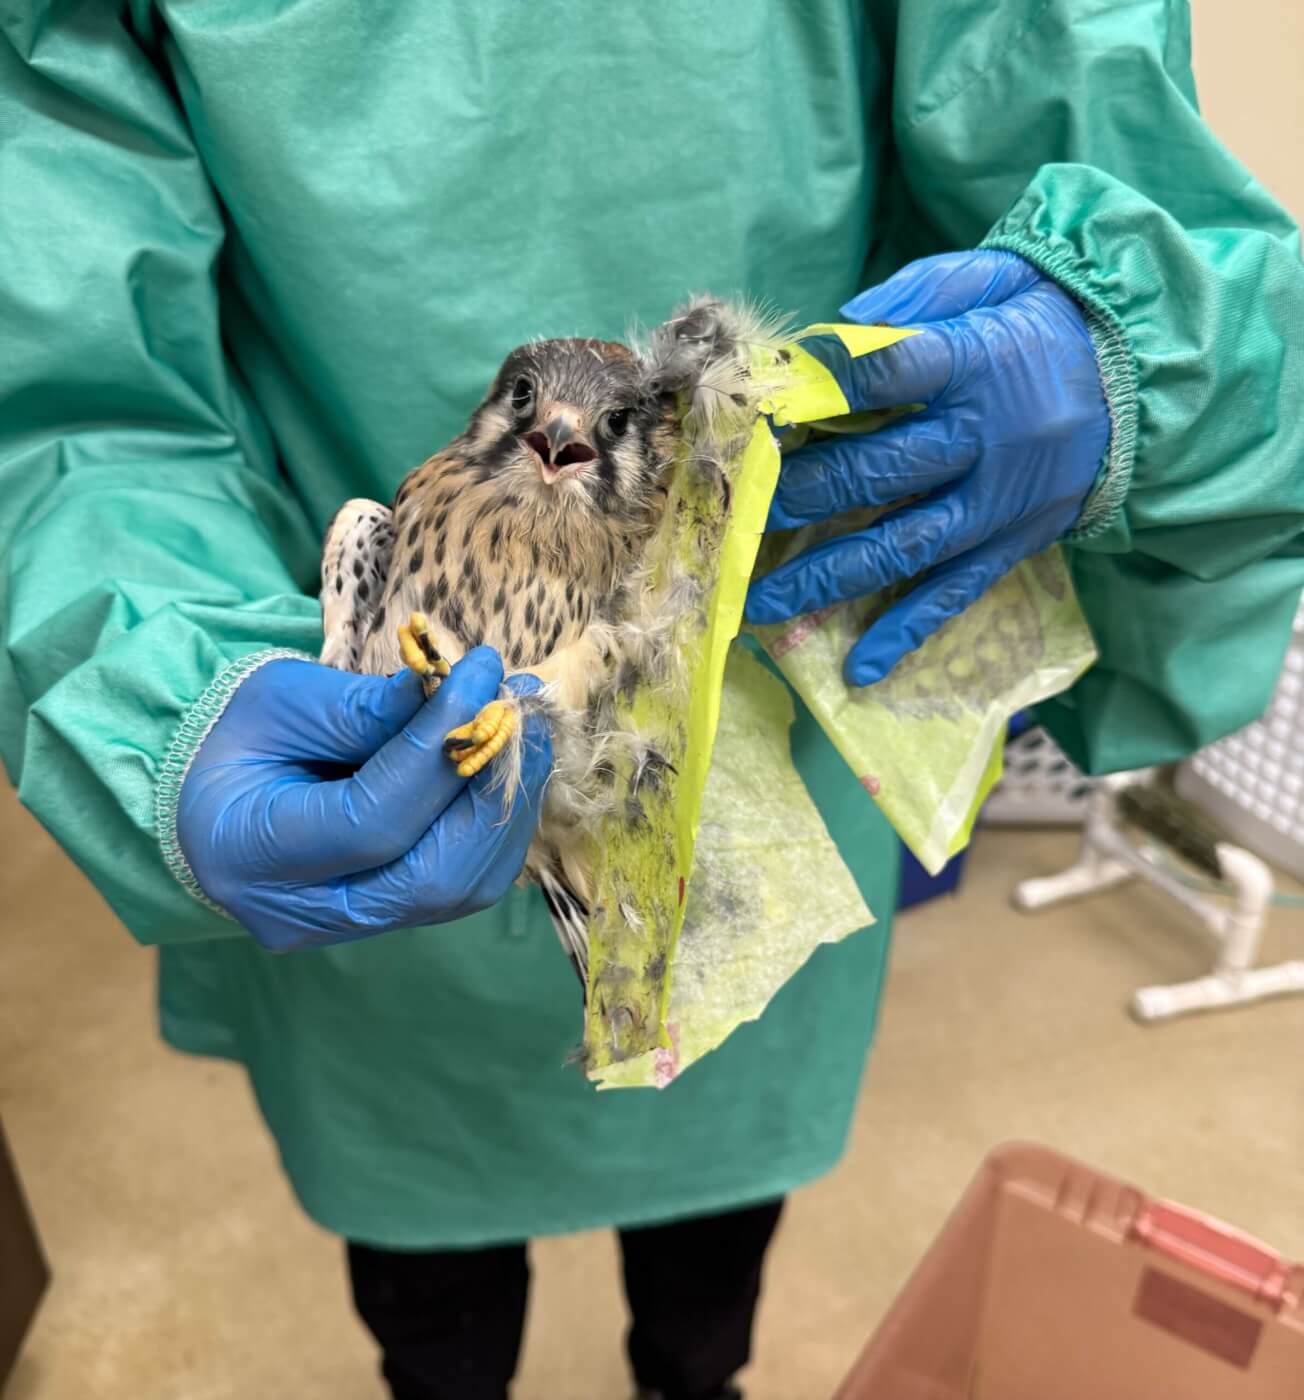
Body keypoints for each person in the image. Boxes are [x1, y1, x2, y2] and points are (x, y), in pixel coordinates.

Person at [2, 3, 1302, 1397]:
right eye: (531, 412)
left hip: (750, 758)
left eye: (594, 432)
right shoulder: (404, 519)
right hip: (363, 875)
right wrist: (158, 675)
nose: (557, 443)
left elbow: (1090, 114)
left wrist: (1138, 353)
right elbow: (64, 360)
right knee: (433, 1300)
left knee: (706, 1249)